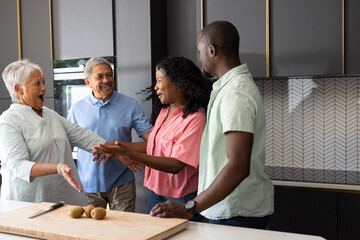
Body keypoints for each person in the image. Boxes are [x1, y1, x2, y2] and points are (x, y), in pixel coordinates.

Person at [149, 21, 274, 229]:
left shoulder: (236, 93)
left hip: (237, 212)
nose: (200, 58)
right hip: (228, 208)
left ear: (212, 51)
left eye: (200, 51)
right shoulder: (228, 89)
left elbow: (238, 166)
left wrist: (189, 207)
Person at [93, 56, 212, 219]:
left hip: (181, 196)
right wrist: (115, 148)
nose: (155, 86)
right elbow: (154, 146)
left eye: (159, 80)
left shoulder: (196, 119)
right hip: (156, 192)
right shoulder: (165, 112)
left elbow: (175, 165)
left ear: (178, 82)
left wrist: (130, 155)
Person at [0, 59, 107, 205]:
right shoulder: (9, 120)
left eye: (43, 82)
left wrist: (115, 151)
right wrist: (58, 167)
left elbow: (82, 135)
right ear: (19, 89)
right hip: (28, 203)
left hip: (62, 198)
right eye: (37, 83)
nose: (44, 88)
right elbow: (19, 165)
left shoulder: (50, 114)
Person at [67, 57, 152, 212]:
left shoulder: (130, 105)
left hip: (122, 183)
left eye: (109, 75)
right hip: (87, 184)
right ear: (88, 82)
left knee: (122, 232)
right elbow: (67, 146)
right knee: (90, 233)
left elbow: (152, 143)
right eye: (99, 77)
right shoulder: (77, 109)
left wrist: (119, 149)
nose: (106, 80)